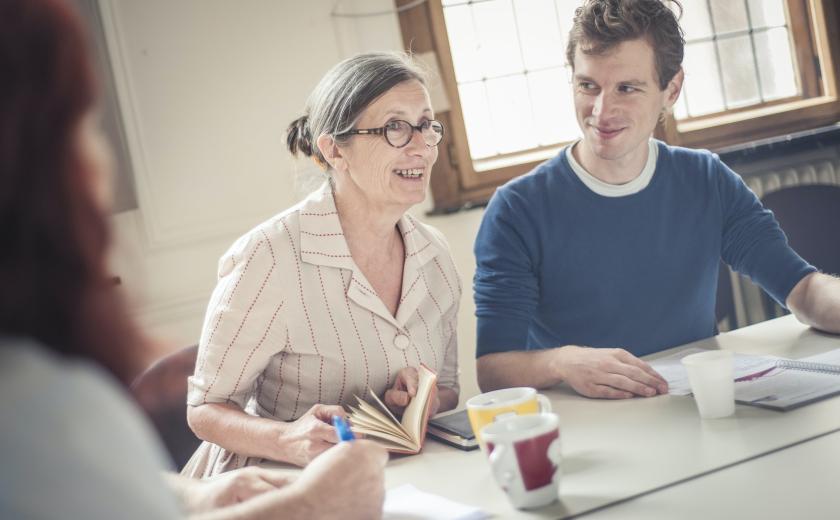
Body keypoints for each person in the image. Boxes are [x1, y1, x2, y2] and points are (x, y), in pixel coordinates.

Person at [0, 1, 386, 518]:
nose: (99, 160)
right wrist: (315, 504)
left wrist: (195, 495)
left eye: (429, 126)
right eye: (83, 126)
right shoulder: (36, 411)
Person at [473, 0, 840, 400]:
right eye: (587, 86)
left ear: (672, 89)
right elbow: (492, 368)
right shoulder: (517, 209)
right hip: (588, 424)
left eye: (626, 88)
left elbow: (802, 290)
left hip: (695, 405)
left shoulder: (706, 179)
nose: (601, 110)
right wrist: (561, 361)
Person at [185, 52, 461, 476]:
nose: (423, 146)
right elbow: (204, 410)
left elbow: (447, 389)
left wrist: (417, 401)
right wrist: (287, 438)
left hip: (395, 479)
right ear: (334, 150)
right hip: (271, 482)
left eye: (426, 125)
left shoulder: (435, 255)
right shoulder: (269, 256)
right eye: (395, 128)